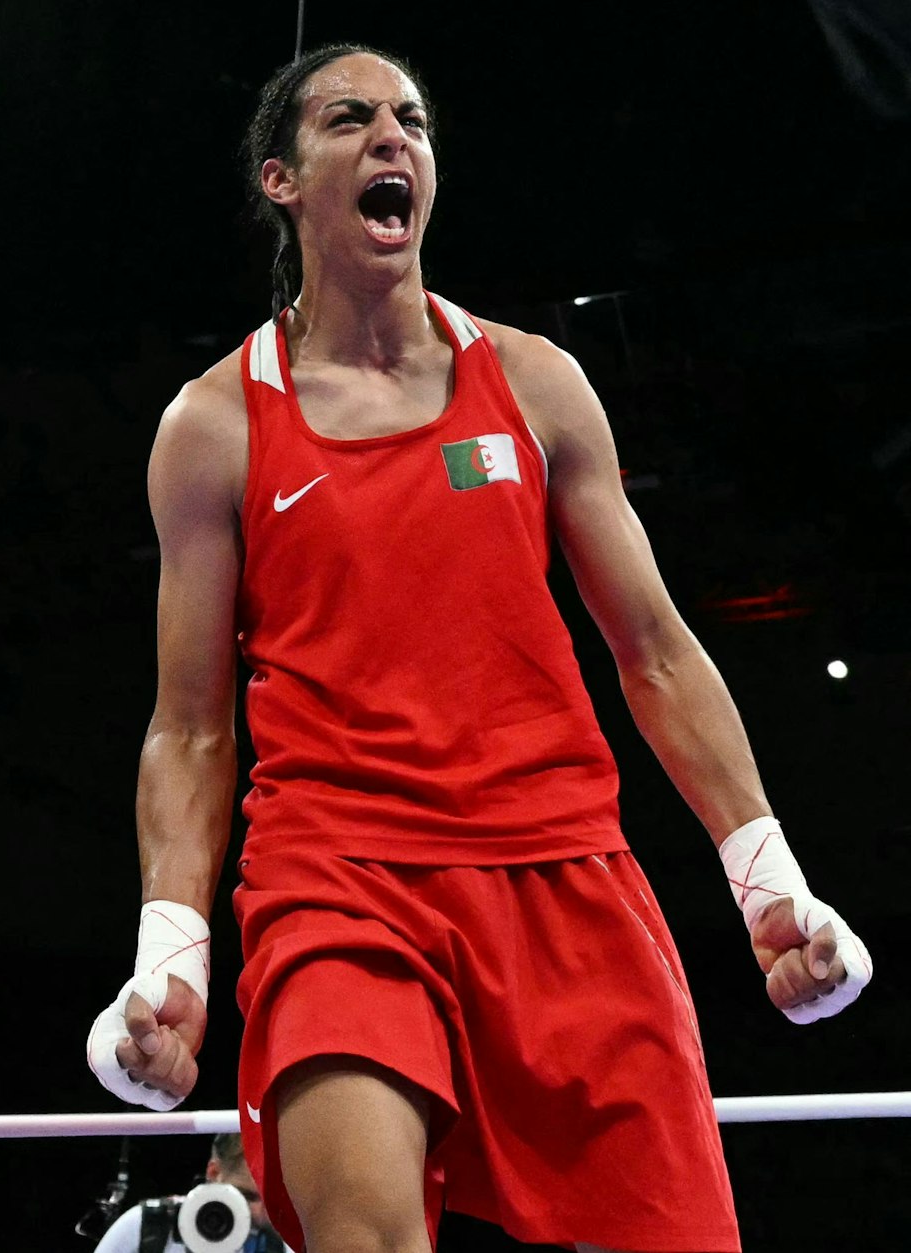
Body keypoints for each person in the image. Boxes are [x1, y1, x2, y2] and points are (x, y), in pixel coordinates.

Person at [85, 43, 873, 1253]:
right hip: (335, 877)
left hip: (561, 868)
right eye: (349, 119)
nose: (391, 137)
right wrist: (171, 948)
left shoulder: (536, 383)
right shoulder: (214, 423)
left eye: (410, 118)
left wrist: (766, 874)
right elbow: (188, 723)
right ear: (282, 181)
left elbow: (655, 652)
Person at [93, 1134, 288, 1253]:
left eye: (271, 1201)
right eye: (247, 1196)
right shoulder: (147, 1227)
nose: (259, 1213)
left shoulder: (285, 1244)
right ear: (214, 1173)